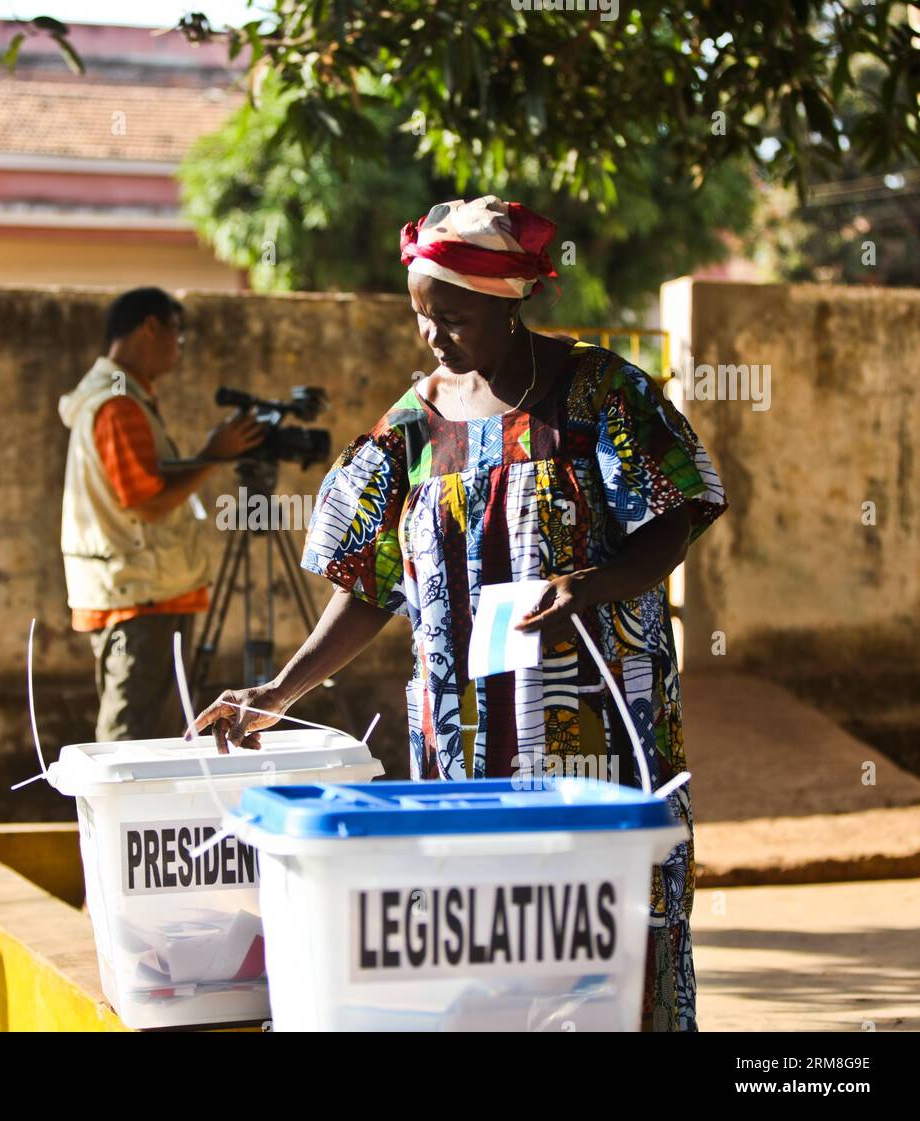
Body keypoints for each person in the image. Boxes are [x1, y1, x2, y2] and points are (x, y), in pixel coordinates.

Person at [191, 196, 728, 1031]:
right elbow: (367, 585)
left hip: (599, 729)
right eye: (422, 316)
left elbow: (674, 517)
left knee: (610, 931)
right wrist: (276, 693)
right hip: (466, 746)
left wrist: (586, 586)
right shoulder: (411, 428)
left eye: (455, 317)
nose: (435, 336)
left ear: (510, 305)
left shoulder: (598, 393)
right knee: (485, 939)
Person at [59, 287, 263, 742]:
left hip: (141, 591)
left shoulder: (119, 398)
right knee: (134, 737)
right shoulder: (117, 406)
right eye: (178, 335)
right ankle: (116, 814)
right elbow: (147, 503)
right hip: (139, 596)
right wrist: (213, 455)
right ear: (151, 327)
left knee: (152, 729)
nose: (179, 349)